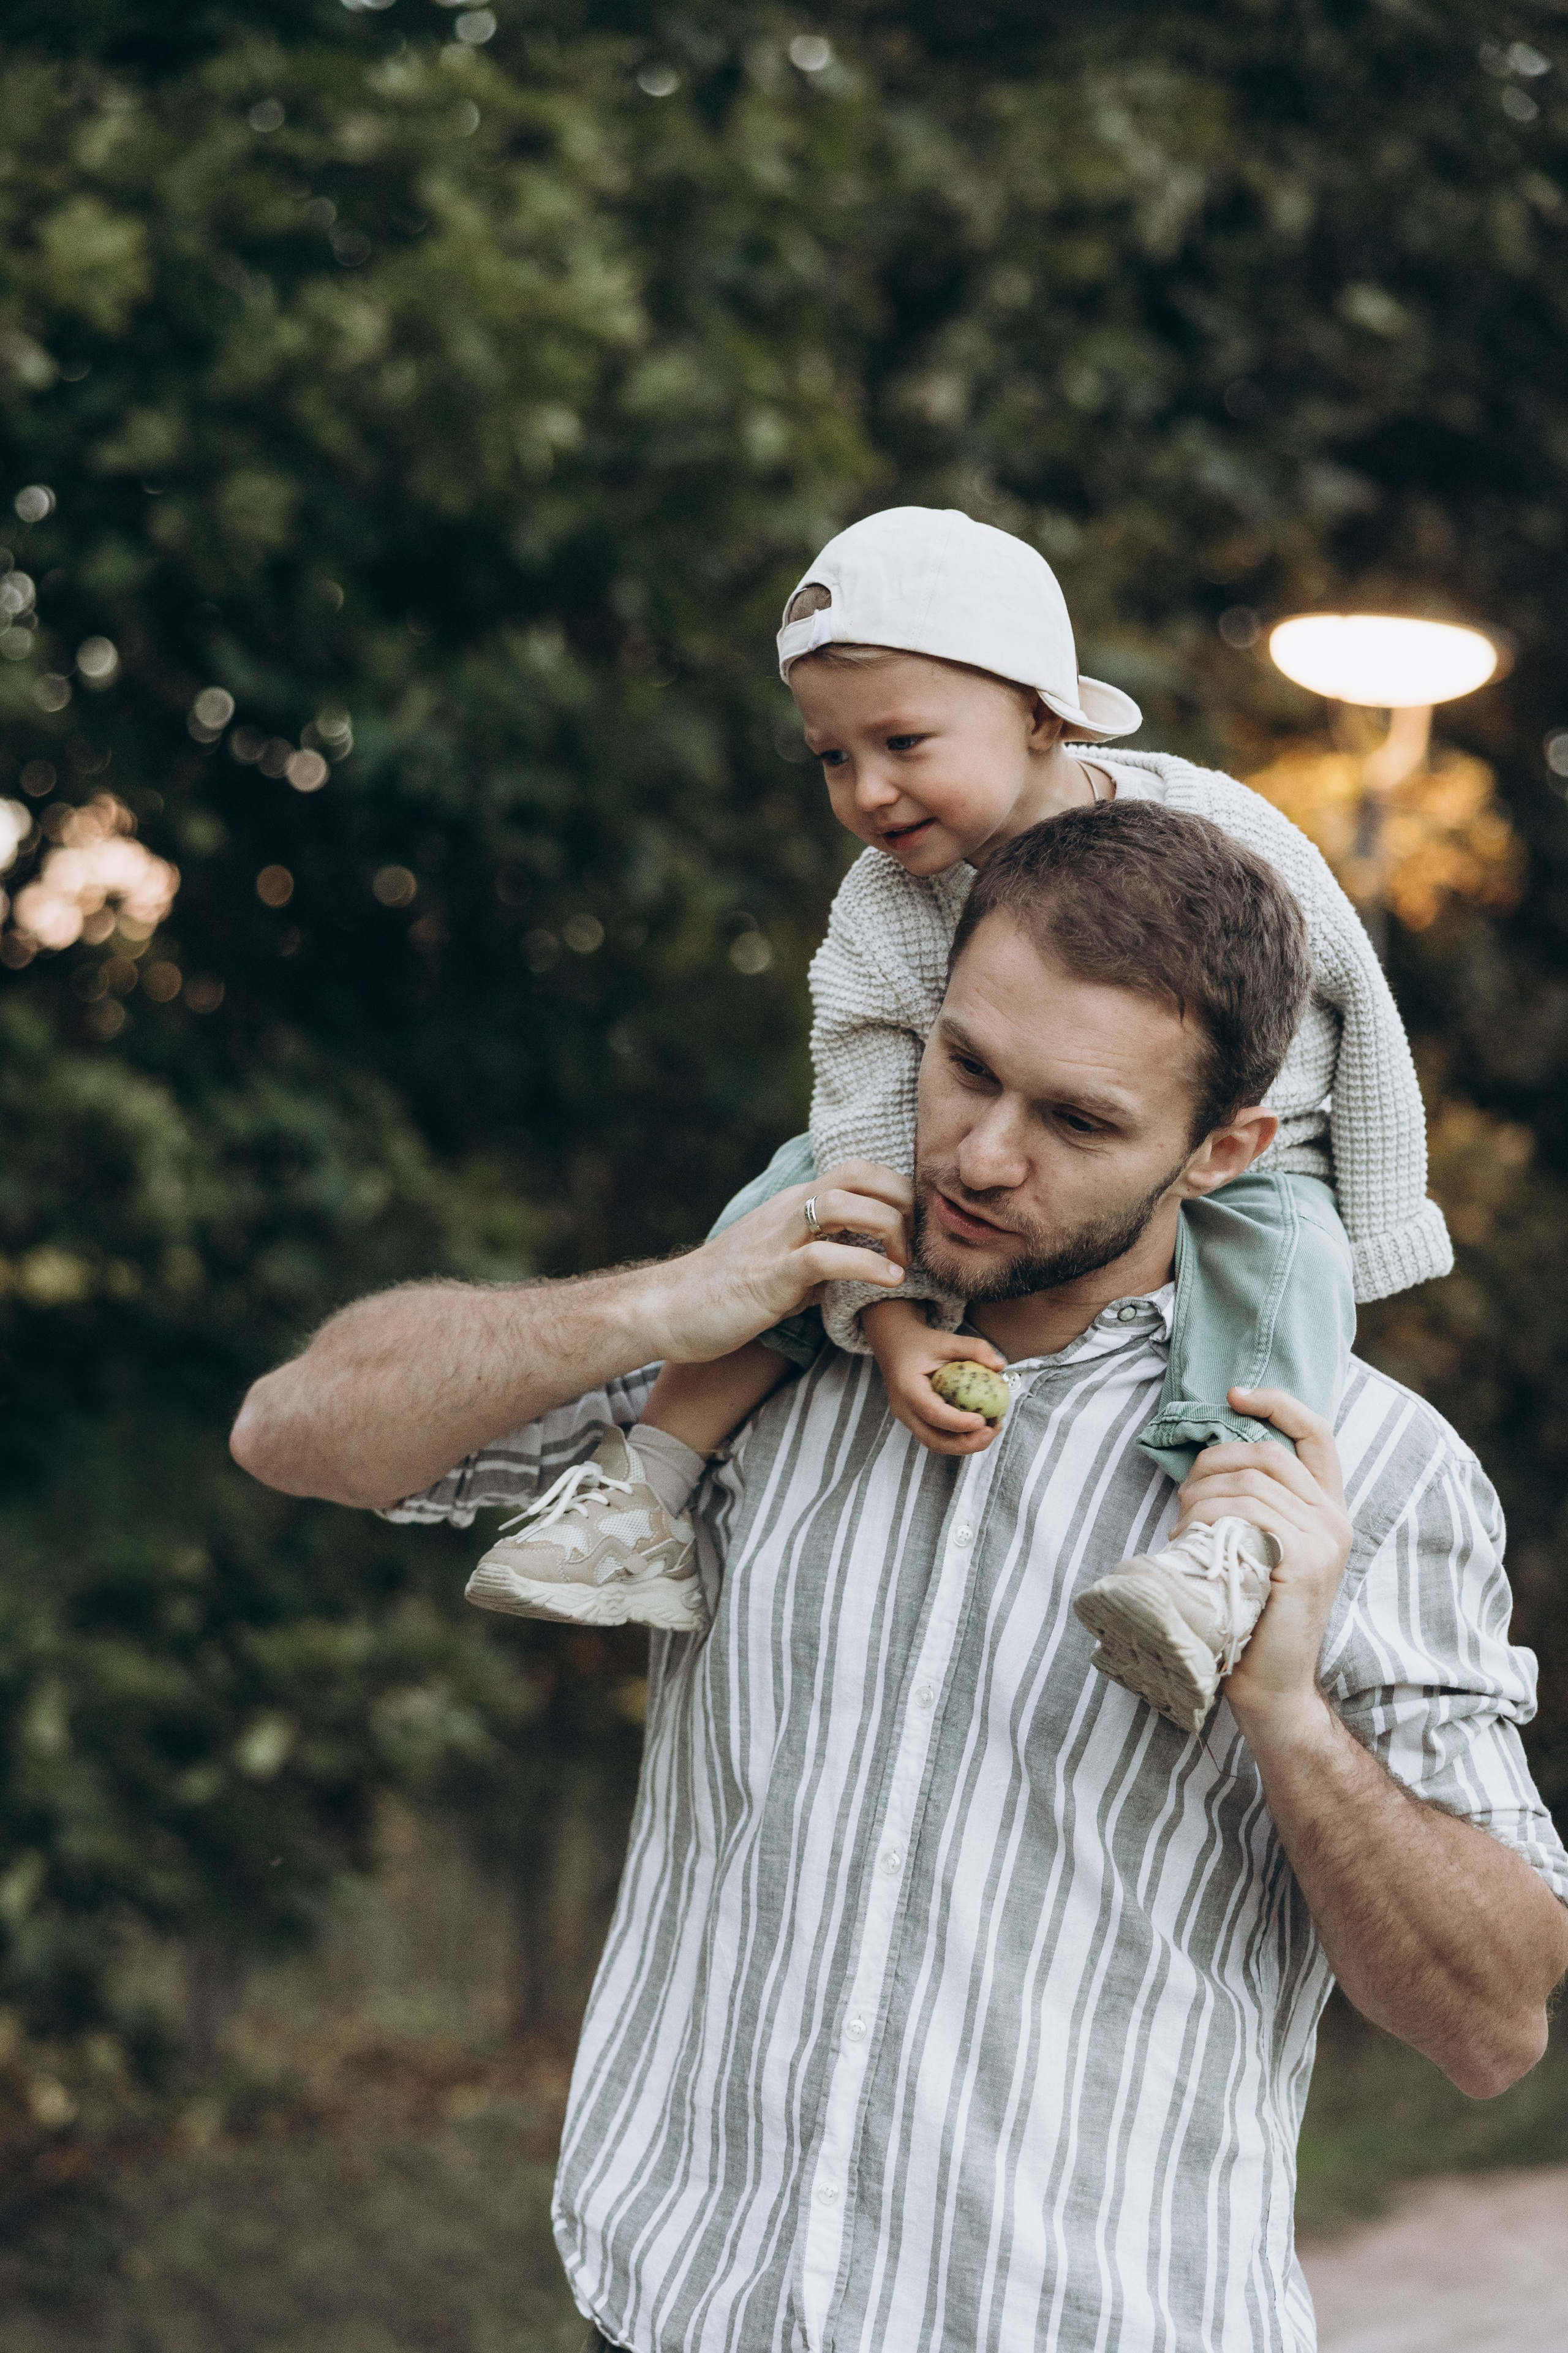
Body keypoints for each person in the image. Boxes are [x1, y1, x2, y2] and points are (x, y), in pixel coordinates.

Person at [231, 803, 1568, 2353]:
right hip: (669, 2313)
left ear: (1221, 1151)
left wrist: (1286, 1710)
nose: (981, 1156)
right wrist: (662, 1300)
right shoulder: (753, 1346)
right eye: (965, 1066)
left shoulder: (1364, 1474)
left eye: (1076, 1123)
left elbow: (1489, 2022)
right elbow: (296, 1432)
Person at [461, 507, 1451, 1737]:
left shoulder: (1214, 829)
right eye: (831, 757)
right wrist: (893, 1324)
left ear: (1040, 713)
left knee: (1282, 1267)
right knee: (797, 1195)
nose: (868, 790)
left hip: (1245, 1140)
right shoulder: (885, 903)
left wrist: (1373, 1203)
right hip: (943, 1130)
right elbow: (861, 1093)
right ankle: (644, 1487)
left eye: (902, 742)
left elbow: (1353, 992)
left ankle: (1225, 1550)